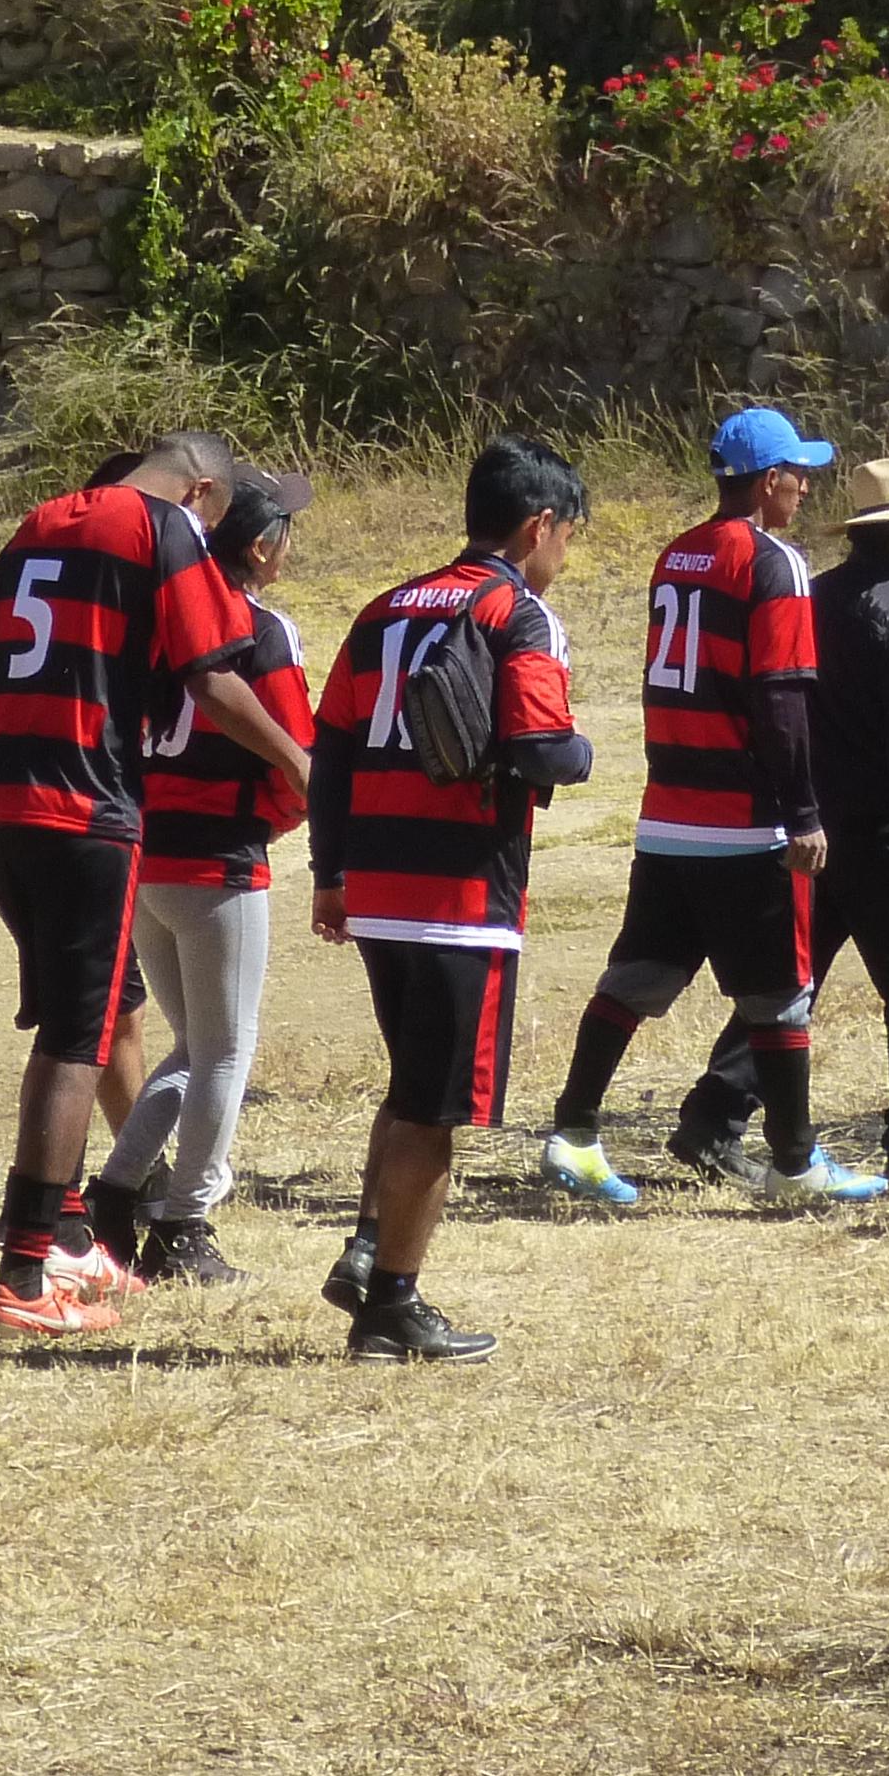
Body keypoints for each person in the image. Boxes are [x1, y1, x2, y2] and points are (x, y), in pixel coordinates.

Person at [0, 427, 292, 1336]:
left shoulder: (36, 522)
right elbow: (213, 679)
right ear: (204, 494)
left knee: (69, 1012)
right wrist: (304, 763)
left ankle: (65, 1233)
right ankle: (26, 1273)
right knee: (82, 1034)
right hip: (79, 802)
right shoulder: (163, 525)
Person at [537, 409, 885, 1212]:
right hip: (744, 818)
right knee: (780, 995)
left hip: (669, 812)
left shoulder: (676, 554)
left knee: (633, 980)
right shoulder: (773, 562)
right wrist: (802, 812)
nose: (805, 487)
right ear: (768, 481)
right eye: (798, 473)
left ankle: (575, 1133)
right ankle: (795, 1164)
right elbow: (781, 695)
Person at [306, 434, 597, 1365]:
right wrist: (577, 748)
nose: (565, 555)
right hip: (458, 889)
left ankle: (365, 1249)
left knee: (409, 1085)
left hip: (379, 879)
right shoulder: (517, 610)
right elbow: (548, 749)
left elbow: (335, 748)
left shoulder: (385, 606)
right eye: (567, 535)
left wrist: (330, 870)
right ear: (538, 525)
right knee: (435, 1110)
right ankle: (393, 1304)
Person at [676, 454, 889, 1188]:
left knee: (791, 980)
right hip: (880, 830)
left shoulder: (815, 593)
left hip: (812, 826)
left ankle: (713, 1116)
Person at [88, 466, 319, 1283]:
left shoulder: (154, 620)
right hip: (217, 855)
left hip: (142, 852)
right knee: (225, 1052)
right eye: (285, 528)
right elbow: (296, 755)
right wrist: (278, 826)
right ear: (260, 546)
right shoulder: (258, 628)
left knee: (194, 1045)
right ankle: (183, 1223)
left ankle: (114, 1195)